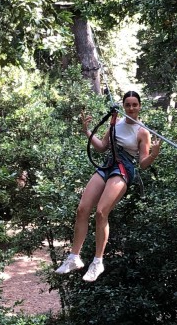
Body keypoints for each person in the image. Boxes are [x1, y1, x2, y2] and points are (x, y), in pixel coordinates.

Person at [55, 91, 162, 282]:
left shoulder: (142, 131)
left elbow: (143, 163)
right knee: (82, 209)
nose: (131, 108)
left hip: (124, 168)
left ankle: (97, 262)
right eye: (127, 104)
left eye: (134, 104)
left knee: (101, 213)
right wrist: (87, 131)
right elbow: (103, 146)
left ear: (140, 106)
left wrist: (153, 154)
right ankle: (74, 258)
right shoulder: (115, 123)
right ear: (123, 106)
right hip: (108, 164)